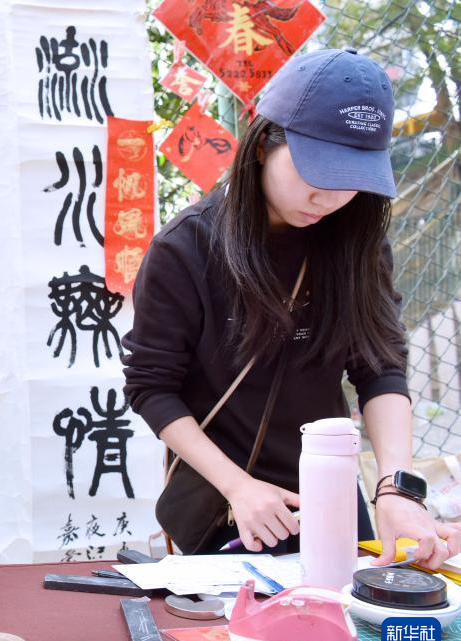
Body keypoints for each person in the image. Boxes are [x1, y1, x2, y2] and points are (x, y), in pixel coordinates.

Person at [122, 48, 461, 568]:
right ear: (263, 144)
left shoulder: (357, 244)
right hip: (225, 501)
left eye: (352, 177)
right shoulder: (186, 248)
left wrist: (396, 490)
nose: (330, 197)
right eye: (316, 172)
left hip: (331, 490)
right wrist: (239, 487)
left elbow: (380, 368)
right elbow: (152, 388)